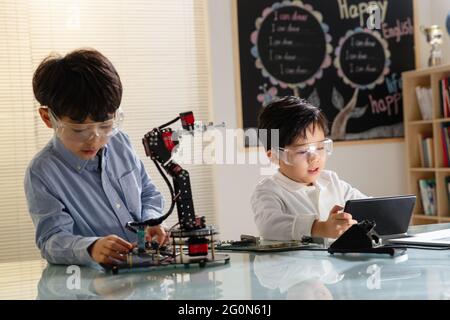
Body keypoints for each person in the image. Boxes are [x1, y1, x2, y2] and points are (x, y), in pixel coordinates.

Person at [25, 48, 167, 266]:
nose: (95, 139)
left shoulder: (120, 143)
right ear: (48, 118)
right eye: (79, 130)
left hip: (146, 273)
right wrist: (91, 248)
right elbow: (51, 240)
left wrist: (151, 221)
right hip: (94, 286)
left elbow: (148, 192)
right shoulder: (42, 172)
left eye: (106, 125)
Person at [251, 96, 368, 240]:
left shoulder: (331, 181)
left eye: (320, 147)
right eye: (302, 151)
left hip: (334, 261)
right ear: (275, 156)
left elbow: (366, 207)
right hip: (293, 262)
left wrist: (388, 212)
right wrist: (319, 228)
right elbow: (269, 226)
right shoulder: (268, 191)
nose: (314, 158)